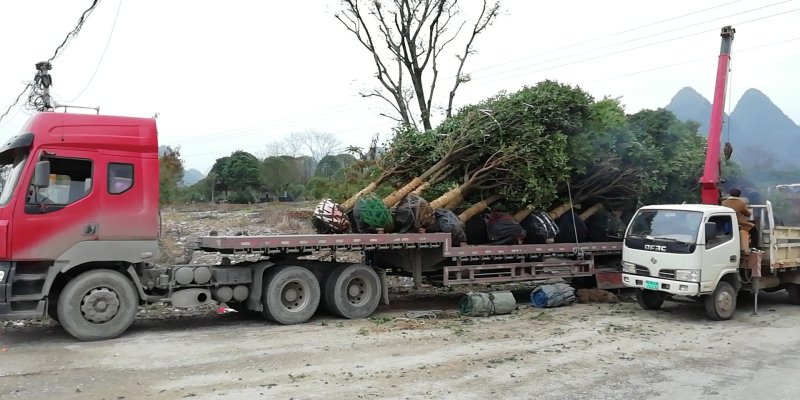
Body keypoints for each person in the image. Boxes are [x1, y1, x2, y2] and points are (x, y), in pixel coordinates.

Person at [721, 188, 754, 255]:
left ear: (730, 194)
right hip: (739, 223)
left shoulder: (723, 202)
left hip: (725, 223)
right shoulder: (740, 203)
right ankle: (754, 247)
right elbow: (748, 214)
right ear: (739, 195)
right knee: (754, 229)